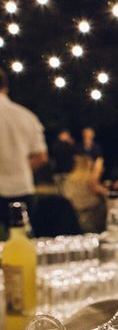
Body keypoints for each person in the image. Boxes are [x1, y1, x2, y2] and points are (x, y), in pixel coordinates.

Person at [0, 67, 48, 228]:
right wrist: (19, 168)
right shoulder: (26, 116)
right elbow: (41, 157)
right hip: (21, 188)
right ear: (6, 87)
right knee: (21, 242)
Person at [62, 153, 108, 232]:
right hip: (89, 211)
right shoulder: (88, 178)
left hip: (73, 211)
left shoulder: (69, 178)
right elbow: (98, 189)